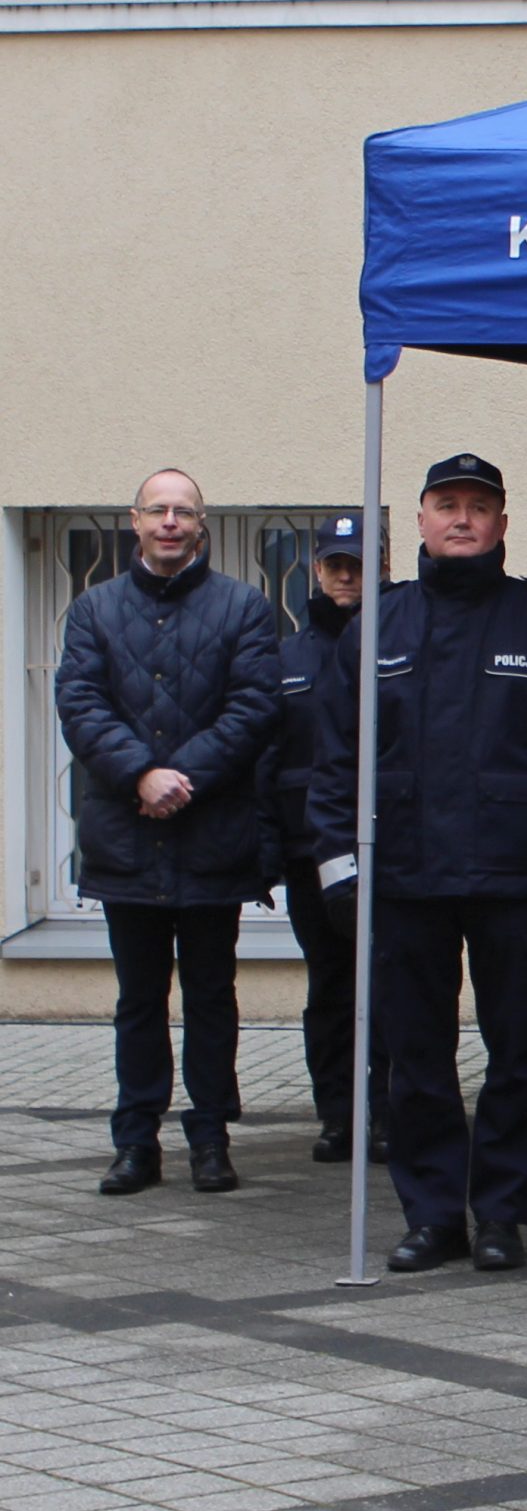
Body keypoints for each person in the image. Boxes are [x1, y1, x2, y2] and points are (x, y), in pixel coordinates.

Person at [307, 453, 527, 1274]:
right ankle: (433, 1215)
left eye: (478, 506)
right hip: (403, 879)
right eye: (447, 505)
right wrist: (339, 870)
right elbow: (334, 762)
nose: (462, 519)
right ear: (421, 521)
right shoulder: (377, 626)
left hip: (514, 882)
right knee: (416, 1060)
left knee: (517, 1056)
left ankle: (501, 1212)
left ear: (502, 522)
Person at [56, 469, 280, 1196]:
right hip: (127, 840)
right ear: (136, 520)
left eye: (184, 511)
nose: (171, 522)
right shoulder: (94, 610)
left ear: (202, 524)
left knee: (212, 998)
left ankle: (210, 1138)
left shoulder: (243, 607)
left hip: (213, 838)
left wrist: (180, 778)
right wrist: (140, 775)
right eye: (159, 510)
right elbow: (80, 705)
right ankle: (136, 1142)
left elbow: (254, 707)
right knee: (138, 1001)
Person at [260, 510, 387, 1163]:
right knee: (331, 986)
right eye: (336, 565)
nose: (346, 577)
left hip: (393, 849)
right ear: (316, 570)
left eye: (358, 565)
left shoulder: (399, 644)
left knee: (390, 987)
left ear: (381, 569)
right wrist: (266, 852)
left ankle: (388, 1112)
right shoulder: (285, 658)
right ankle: (338, 1115)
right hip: (310, 853)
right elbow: (265, 759)